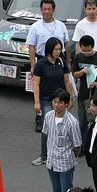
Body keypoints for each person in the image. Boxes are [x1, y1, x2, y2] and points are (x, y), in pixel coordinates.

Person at [32, 38, 75, 166]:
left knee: (63, 126)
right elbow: (36, 84)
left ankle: (61, 152)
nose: (58, 52)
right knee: (48, 128)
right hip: (46, 100)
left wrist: (70, 97)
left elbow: (66, 80)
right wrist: (36, 102)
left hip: (61, 99)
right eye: (56, 49)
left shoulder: (61, 63)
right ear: (49, 50)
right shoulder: (40, 64)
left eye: (59, 49)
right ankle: (44, 155)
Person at [43, 89, 83, 192]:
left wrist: (72, 156)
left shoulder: (72, 122)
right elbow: (46, 134)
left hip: (65, 164)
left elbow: (77, 145)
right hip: (51, 162)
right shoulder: (48, 116)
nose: (56, 105)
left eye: (60, 102)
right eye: (54, 101)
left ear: (66, 104)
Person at [70, 35, 97, 129]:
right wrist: (82, 72)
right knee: (82, 120)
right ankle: (84, 141)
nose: (86, 53)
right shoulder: (78, 57)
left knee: (96, 121)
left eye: (88, 51)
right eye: (84, 51)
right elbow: (74, 74)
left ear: (93, 46)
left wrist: (96, 83)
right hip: (83, 94)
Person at [27, 0, 70, 72]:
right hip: (43, 60)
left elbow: (66, 45)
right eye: (44, 9)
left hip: (59, 60)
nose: (46, 11)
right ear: (41, 10)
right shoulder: (35, 27)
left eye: (49, 9)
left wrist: (68, 63)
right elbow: (31, 47)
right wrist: (33, 65)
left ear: (53, 10)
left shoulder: (61, 26)